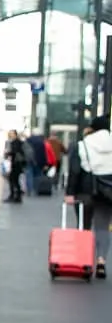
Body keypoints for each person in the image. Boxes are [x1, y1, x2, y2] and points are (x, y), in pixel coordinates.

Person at [65, 114, 112, 279]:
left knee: (83, 227)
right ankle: (101, 262)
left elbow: (75, 171)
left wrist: (70, 193)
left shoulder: (82, 144)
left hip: (85, 191)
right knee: (102, 227)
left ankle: (84, 261)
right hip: (107, 192)